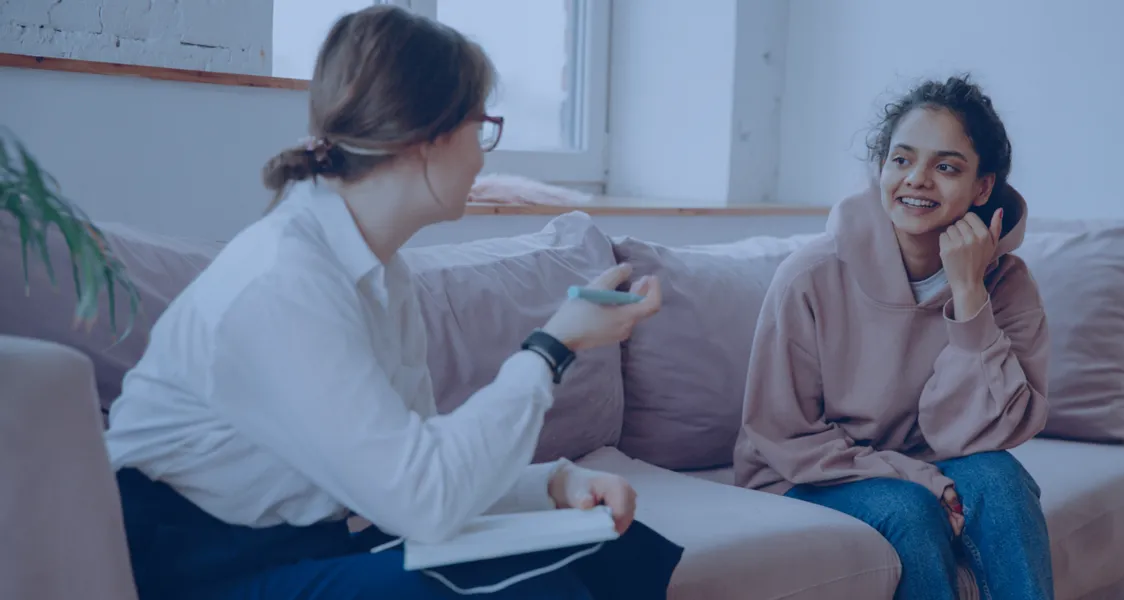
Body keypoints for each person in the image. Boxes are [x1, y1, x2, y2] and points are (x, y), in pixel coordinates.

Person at [104, 5, 683, 599]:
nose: (484, 156)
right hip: (194, 568)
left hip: (299, 544)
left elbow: (423, 470)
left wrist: (554, 486)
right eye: (480, 127)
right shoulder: (284, 282)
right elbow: (425, 503)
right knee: (527, 588)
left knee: (608, 544)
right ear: (424, 137)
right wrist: (552, 346)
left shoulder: (381, 273)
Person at [733, 75, 1054, 600]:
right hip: (806, 475)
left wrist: (970, 295)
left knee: (1001, 480)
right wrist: (920, 478)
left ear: (982, 187)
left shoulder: (1008, 285)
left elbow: (994, 433)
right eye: (902, 160)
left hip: (934, 460)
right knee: (910, 510)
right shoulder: (809, 276)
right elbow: (782, 434)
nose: (918, 180)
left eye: (946, 166)